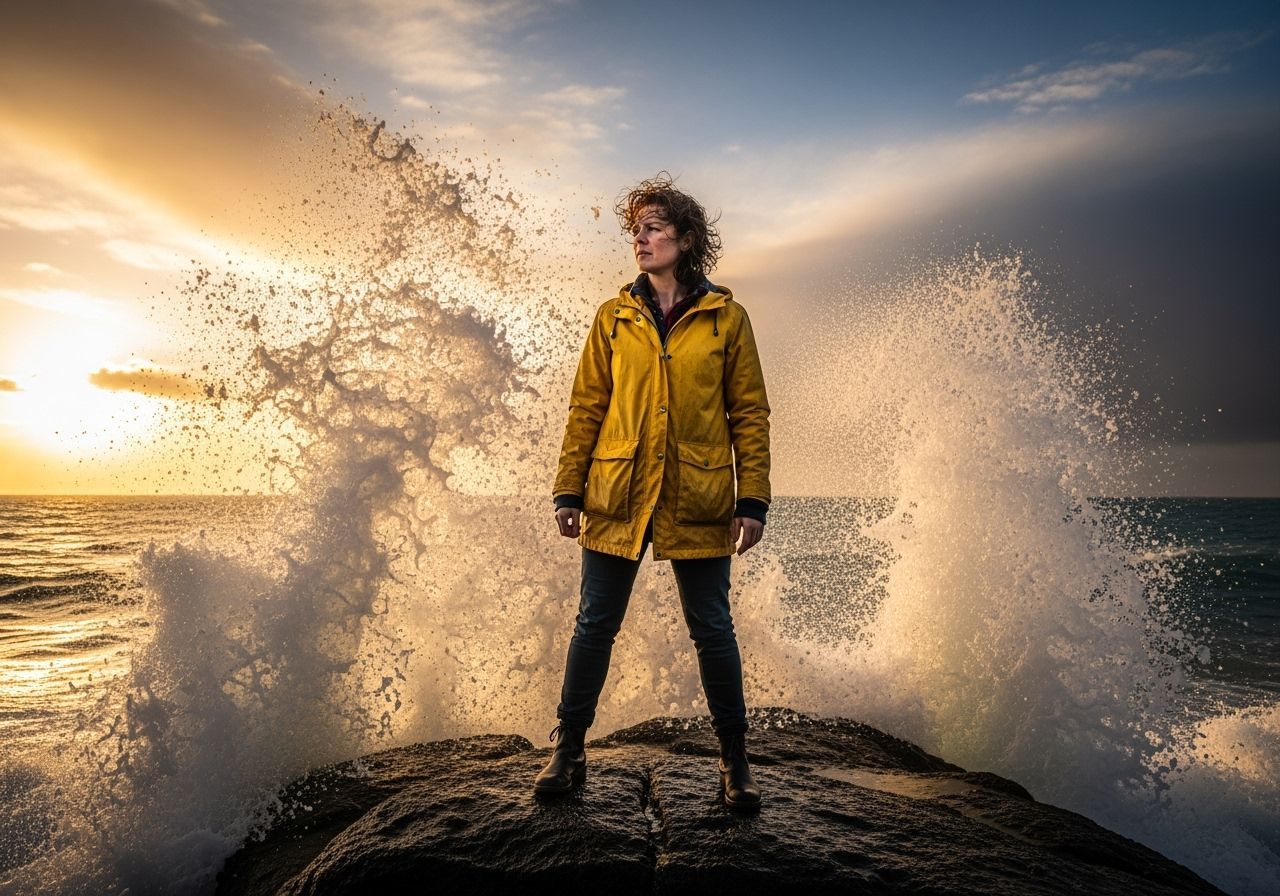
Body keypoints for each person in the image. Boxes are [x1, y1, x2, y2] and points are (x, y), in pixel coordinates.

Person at [535, 173, 771, 811]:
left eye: (654, 227)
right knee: (594, 625)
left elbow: (748, 413)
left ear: (685, 238)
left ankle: (735, 759)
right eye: (635, 229)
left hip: (698, 497)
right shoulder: (612, 318)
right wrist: (568, 489)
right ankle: (568, 749)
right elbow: (587, 406)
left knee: (713, 629)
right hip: (617, 491)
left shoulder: (727, 318)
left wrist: (753, 500)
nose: (640, 239)